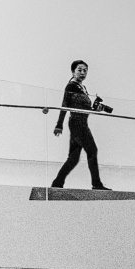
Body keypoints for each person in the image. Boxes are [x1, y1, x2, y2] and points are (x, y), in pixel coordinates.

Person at [51, 61, 113, 189]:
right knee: (92, 150)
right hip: (77, 123)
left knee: (73, 158)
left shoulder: (82, 88)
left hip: (80, 123)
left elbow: (84, 108)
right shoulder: (71, 86)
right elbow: (65, 105)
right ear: (73, 71)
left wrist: (97, 108)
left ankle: (57, 183)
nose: (83, 73)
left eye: (85, 70)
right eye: (79, 70)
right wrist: (59, 124)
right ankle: (96, 184)